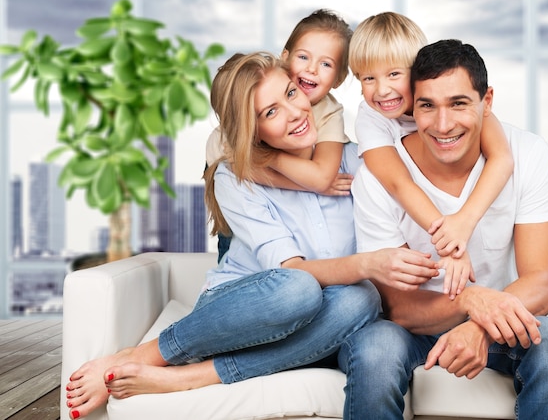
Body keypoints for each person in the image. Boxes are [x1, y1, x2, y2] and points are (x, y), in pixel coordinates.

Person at [64, 51, 438, 420]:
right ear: (252, 129)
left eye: (291, 93)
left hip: (327, 322)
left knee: (362, 299)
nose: (294, 113)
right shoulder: (236, 178)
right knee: (298, 288)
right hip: (244, 311)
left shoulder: (357, 160)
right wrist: (367, 263)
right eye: (270, 113)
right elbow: (294, 270)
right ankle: (140, 356)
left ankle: (193, 377)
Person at [339, 39, 548, 420]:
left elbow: (544, 283)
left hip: (499, 320)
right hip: (414, 329)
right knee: (375, 348)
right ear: (410, 106)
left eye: (458, 103)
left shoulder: (528, 154)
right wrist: (468, 301)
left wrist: (480, 327)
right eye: (427, 106)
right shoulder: (377, 178)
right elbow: (398, 307)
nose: (443, 124)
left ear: (486, 102)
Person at [349, 13, 514, 298]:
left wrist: (464, 221)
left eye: (394, 74)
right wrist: (450, 244)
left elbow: (502, 159)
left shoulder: (458, 100)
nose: (382, 89)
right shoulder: (371, 118)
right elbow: (399, 183)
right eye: (368, 78)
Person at [206, 9, 354, 261]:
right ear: (285, 58)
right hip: (244, 205)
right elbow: (229, 168)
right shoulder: (241, 115)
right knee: (235, 247)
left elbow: (321, 178)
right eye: (303, 57)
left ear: (339, 79)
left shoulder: (328, 112)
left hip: (293, 207)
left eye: (326, 64)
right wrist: (269, 159)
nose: (312, 69)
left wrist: (266, 158)